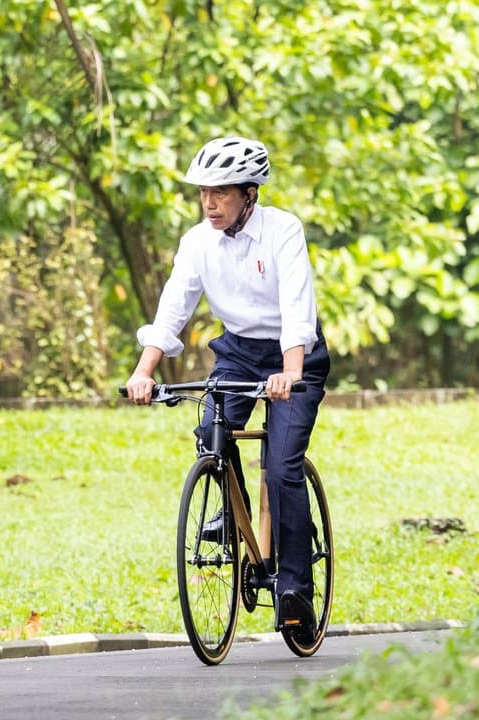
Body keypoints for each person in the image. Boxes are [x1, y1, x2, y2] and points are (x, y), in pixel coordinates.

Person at [123, 136, 330, 642]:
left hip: (291, 355)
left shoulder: (283, 231)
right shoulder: (197, 242)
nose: (210, 204)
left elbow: (298, 308)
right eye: (204, 194)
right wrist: (144, 371)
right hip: (238, 351)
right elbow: (174, 306)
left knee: (281, 468)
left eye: (222, 193)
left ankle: (295, 591)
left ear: (249, 194)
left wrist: (289, 372)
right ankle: (228, 501)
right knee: (210, 432)